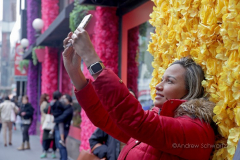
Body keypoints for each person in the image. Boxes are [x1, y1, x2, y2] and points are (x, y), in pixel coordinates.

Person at [62, 29, 216, 160]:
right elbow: (105, 119)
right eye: (161, 79)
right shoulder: (160, 118)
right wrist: (75, 73)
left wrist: (90, 56)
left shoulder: (197, 130)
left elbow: (135, 120)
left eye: (169, 81)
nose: (158, 86)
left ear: (190, 91)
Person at [89, 90, 136, 160]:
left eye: (131, 102)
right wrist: (105, 152)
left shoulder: (138, 124)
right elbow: (93, 140)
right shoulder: (112, 120)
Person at [50, 94, 73, 160]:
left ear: (68, 100)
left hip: (64, 128)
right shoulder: (63, 107)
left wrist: (55, 120)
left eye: (64, 98)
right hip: (58, 128)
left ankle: (64, 158)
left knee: (61, 145)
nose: (62, 99)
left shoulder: (69, 108)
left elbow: (62, 117)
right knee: (59, 145)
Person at [40, 93, 57, 159]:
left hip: (48, 123)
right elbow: (44, 111)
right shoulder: (47, 103)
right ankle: (49, 152)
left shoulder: (49, 103)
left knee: (47, 138)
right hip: (50, 123)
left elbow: (45, 111)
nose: (48, 97)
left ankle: (45, 152)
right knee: (49, 138)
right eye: (47, 96)